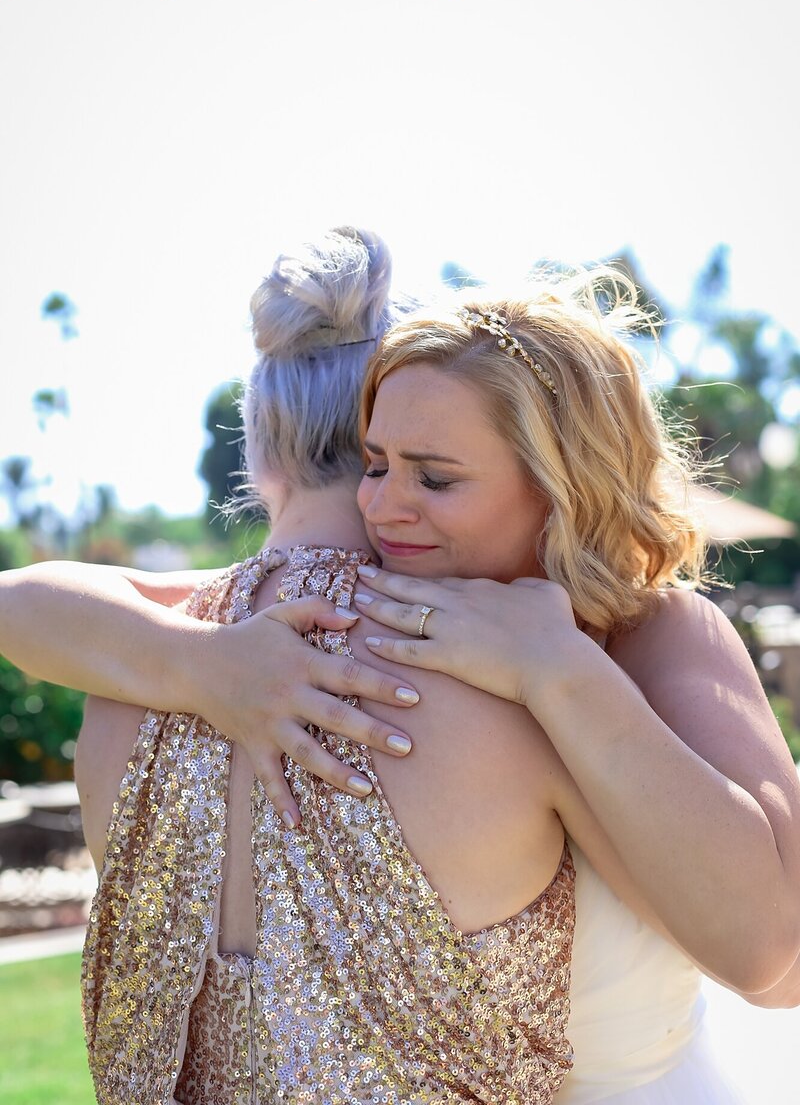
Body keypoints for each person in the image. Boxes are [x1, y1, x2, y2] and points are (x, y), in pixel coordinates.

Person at [0, 236, 798, 1102]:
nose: (379, 506)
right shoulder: (325, 622)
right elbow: (24, 602)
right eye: (375, 465)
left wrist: (560, 670)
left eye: (436, 479)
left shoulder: (653, 635)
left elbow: (775, 962)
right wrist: (203, 662)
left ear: (561, 485)